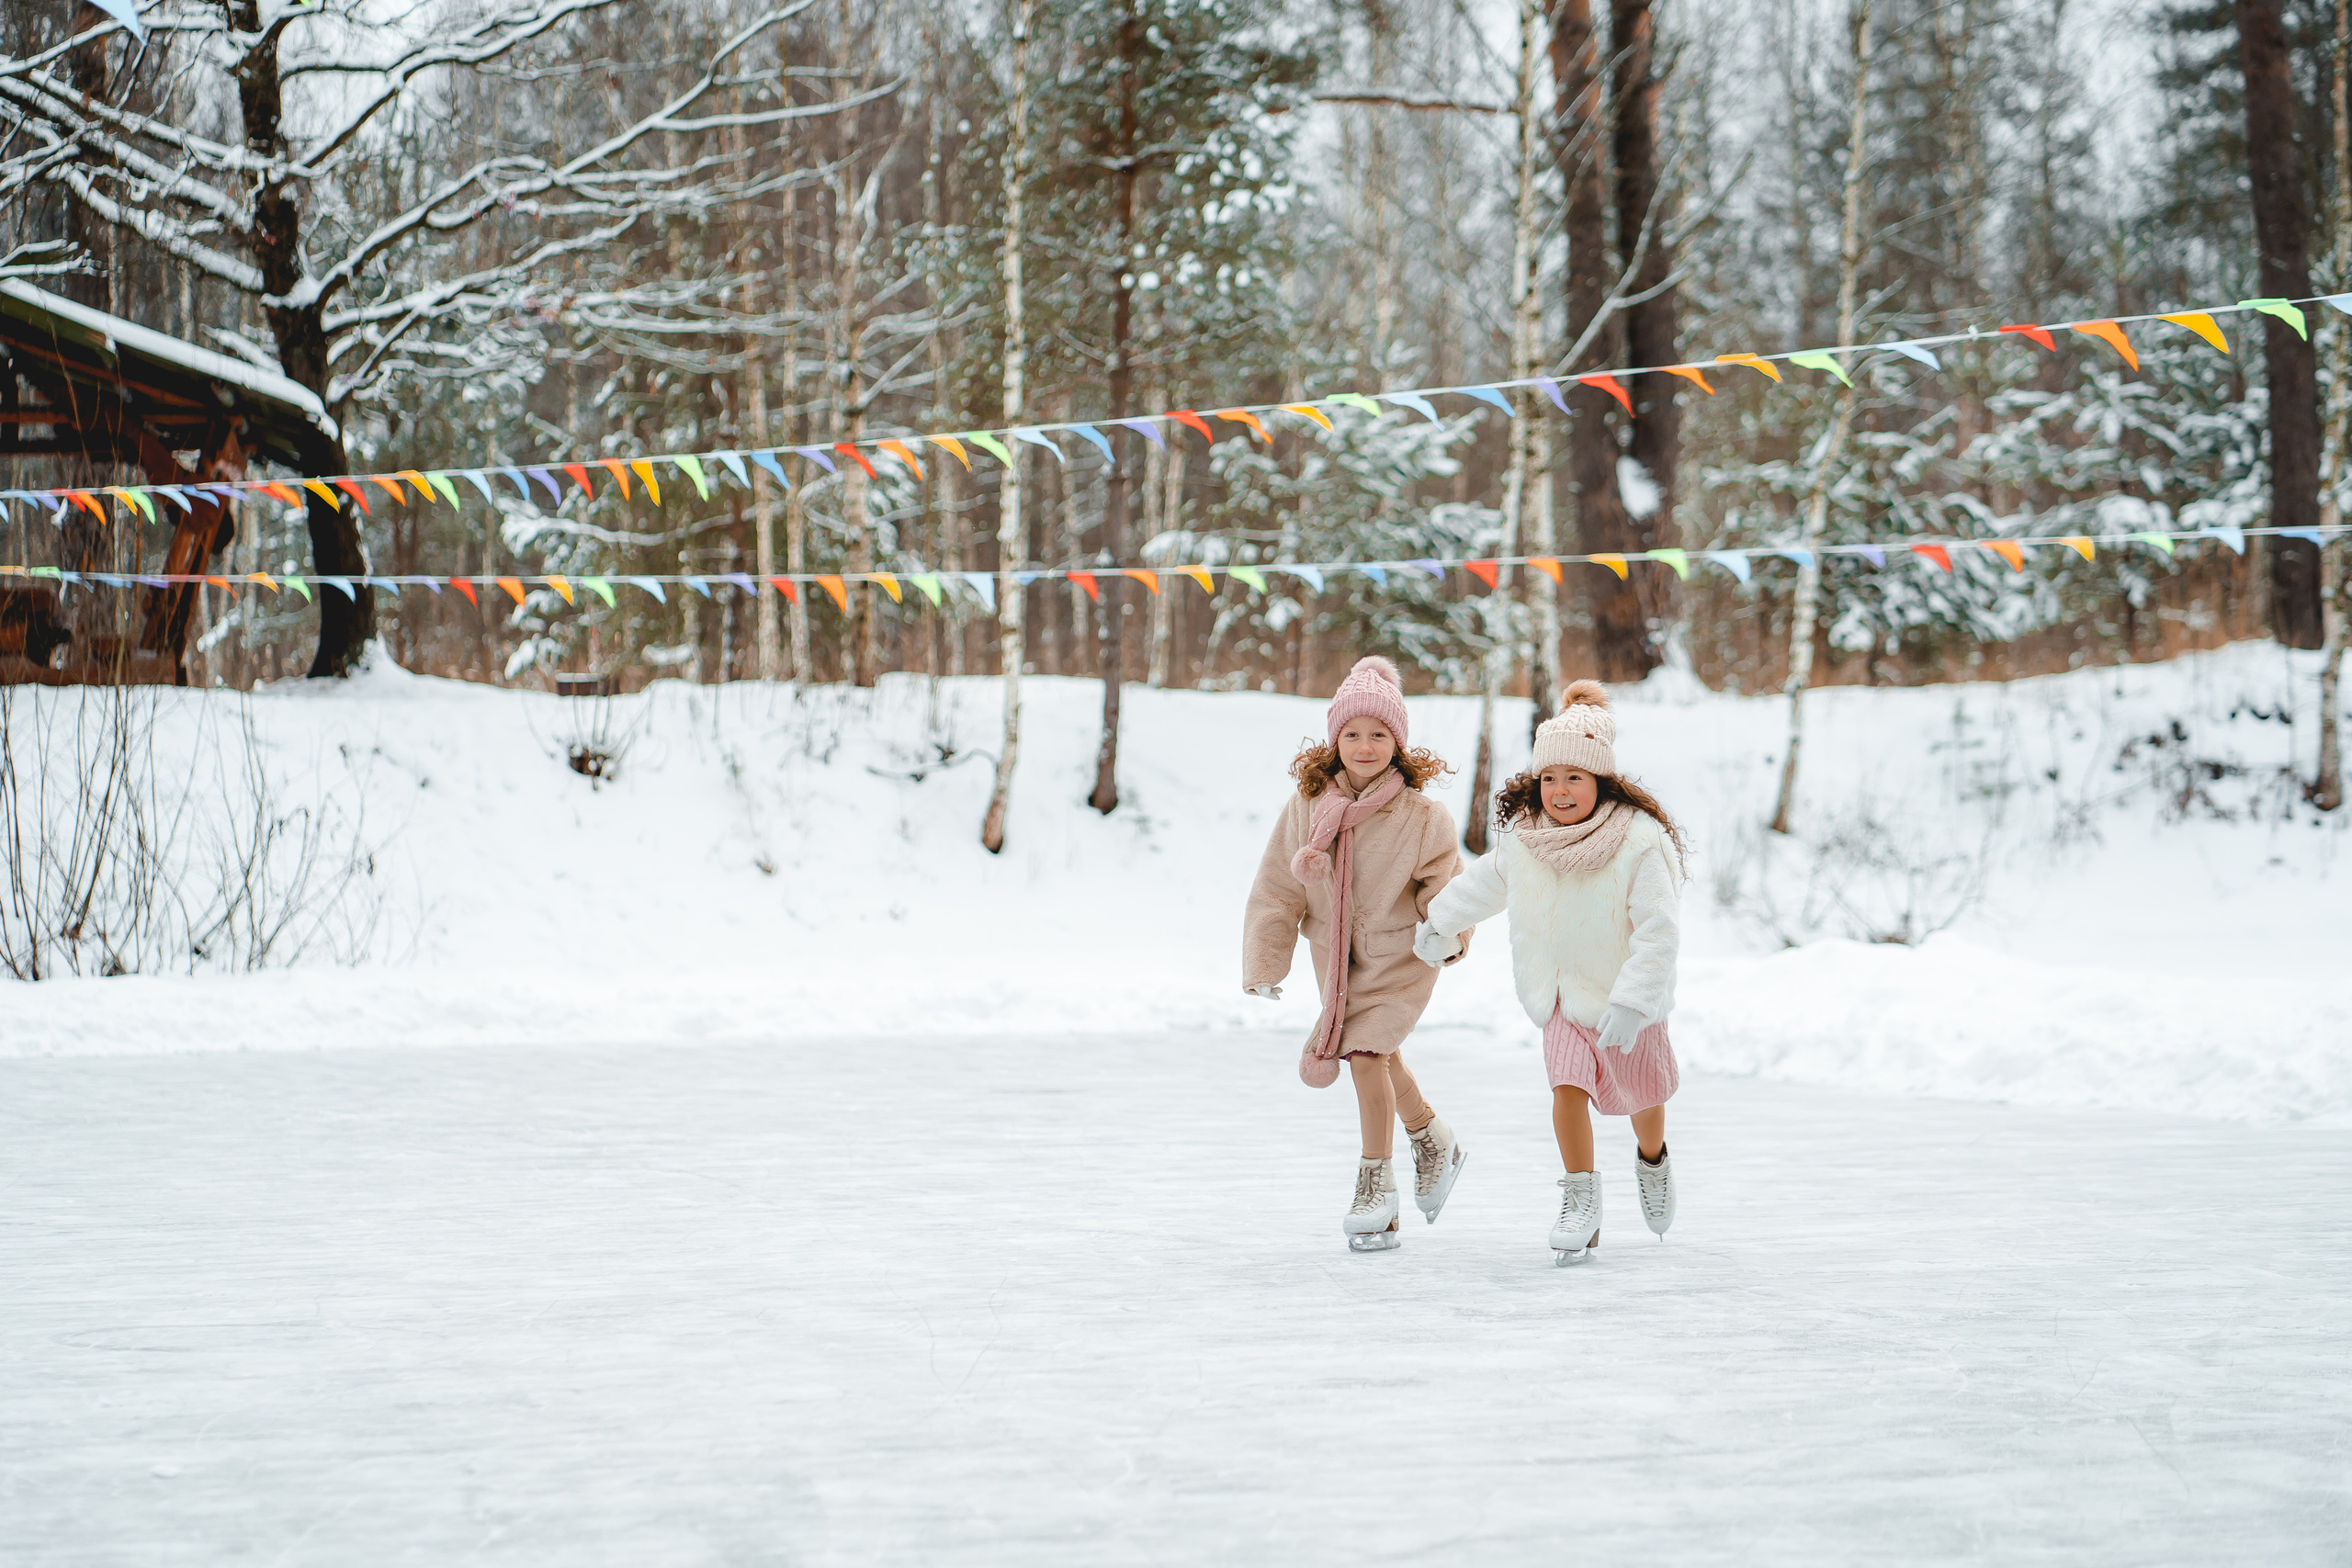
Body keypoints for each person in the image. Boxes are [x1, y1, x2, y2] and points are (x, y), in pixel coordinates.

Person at [1414, 680, 1689, 1265]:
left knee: (1643, 1099)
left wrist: (1634, 1002)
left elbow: (1660, 930)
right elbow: (1482, 887)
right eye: (1549, 778)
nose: (1559, 791)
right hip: (1559, 998)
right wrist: (1440, 924)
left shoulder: (1638, 842)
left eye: (1574, 778)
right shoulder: (1526, 841)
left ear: (1601, 782)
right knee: (1567, 1091)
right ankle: (1581, 1199)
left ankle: (1653, 1158)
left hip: (1623, 999)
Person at [1243, 656, 1471, 1253]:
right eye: (1352, 733)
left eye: (1378, 734)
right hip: (1336, 959)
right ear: (1334, 740)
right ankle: (1431, 1136)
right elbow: (1277, 888)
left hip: (1401, 958)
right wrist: (1267, 964)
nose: (1364, 745)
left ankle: (1376, 1184)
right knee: (1379, 1054)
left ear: (1397, 743)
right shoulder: (1307, 807)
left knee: (1367, 1053)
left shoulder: (1424, 817)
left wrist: (1445, 932)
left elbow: (1447, 886)